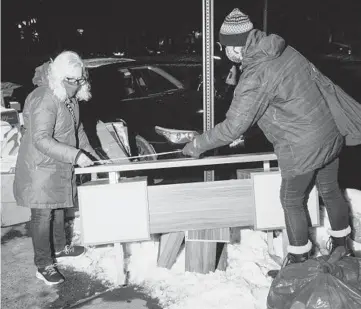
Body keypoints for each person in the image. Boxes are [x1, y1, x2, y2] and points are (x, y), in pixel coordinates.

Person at [182, 8, 360, 275]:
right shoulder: (283, 50)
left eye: (224, 46)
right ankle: (341, 247)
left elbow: (232, 126)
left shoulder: (256, 74)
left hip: (302, 146)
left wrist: (197, 145)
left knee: (291, 200)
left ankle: (298, 264)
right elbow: (284, 100)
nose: (225, 52)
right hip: (329, 134)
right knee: (331, 191)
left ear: (235, 47)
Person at [14, 51, 99, 285]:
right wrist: (75, 155)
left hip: (58, 165)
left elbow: (77, 130)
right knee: (43, 215)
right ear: (59, 77)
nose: (76, 84)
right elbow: (41, 139)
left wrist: (90, 153)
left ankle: (60, 248)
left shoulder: (68, 98)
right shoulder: (45, 98)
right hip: (39, 168)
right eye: (71, 80)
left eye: (80, 80)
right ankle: (43, 264)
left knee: (60, 206)